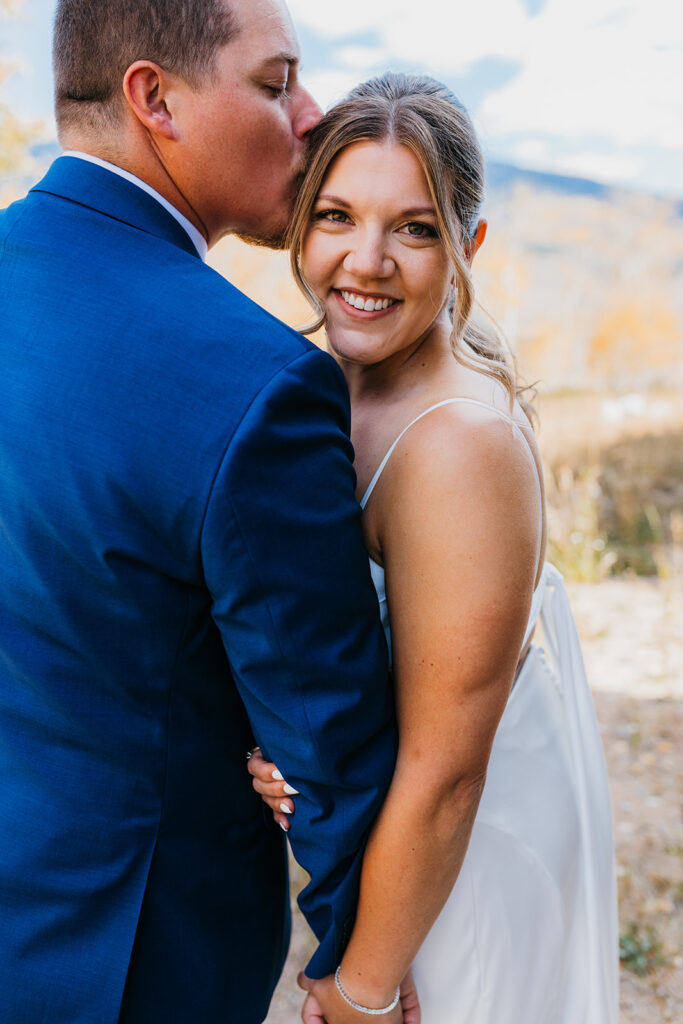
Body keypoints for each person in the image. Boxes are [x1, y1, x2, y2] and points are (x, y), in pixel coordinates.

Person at [0, 3, 400, 1022]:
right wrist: (366, 968)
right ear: (154, 99)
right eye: (275, 83)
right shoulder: (258, 382)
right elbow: (330, 740)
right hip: (131, 959)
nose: (310, 116)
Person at [249, 73, 619, 1024]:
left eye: (412, 228)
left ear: (467, 247)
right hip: (399, 848)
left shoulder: (458, 445)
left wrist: (364, 989)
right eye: (336, 215)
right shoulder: (324, 384)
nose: (364, 261)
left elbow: (450, 772)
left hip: (462, 862)